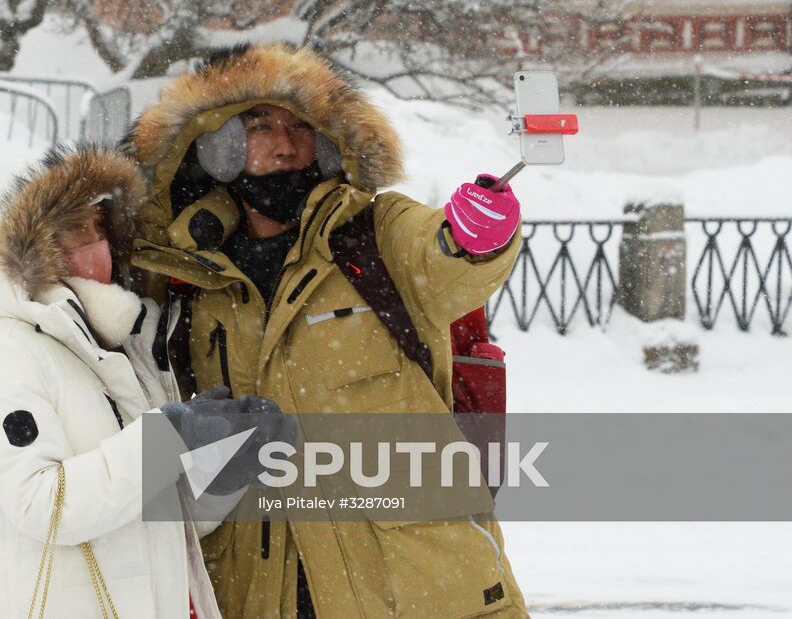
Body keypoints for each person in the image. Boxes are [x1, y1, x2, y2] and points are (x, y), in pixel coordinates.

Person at [128, 43, 529, 618]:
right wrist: (12, 483)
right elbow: (105, 387)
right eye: (260, 125)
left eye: (299, 125)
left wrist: (472, 239)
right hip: (249, 580)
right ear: (216, 145)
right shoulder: (182, 271)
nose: (284, 145)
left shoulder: (373, 235)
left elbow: (440, 256)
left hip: (408, 580)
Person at [0, 144, 289, 619]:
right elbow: (46, 504)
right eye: (72, 229)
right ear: (21, 250)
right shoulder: (1, 356)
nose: (95, 244)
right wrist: (170, 435)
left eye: (98, 225)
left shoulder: (122, 351)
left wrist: (225, 467)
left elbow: (150, 507)